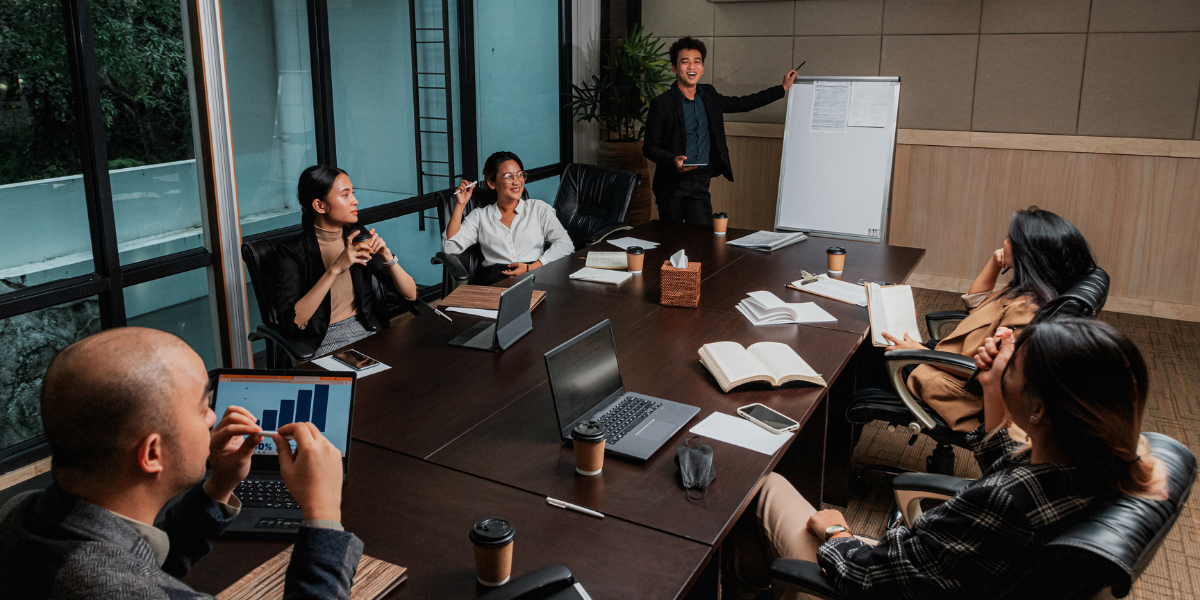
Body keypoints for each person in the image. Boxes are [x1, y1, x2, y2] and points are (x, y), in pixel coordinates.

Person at [723, 318, 1168, 600]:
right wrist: (995, 387)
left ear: (1039, 410)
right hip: (934, 571)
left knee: (760, 486)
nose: (1000, 364)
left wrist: (837, 533)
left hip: (875, 579)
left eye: (1014, 367)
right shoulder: (1102, 463)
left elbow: (872, 579)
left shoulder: (1005, 503)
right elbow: (1007, 465)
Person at [0, 328, 361, 599]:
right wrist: (323, 515)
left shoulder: (19, 513)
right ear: (152, 453)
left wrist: (219, 485)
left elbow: (136, 563)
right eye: (202, 406)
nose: (212, 418)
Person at [881, 206, 1096, 432]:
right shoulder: (1034, 289)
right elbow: (976, 302)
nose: (1003, 242)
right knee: (880, 343)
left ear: (1028, 254)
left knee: (864, 359)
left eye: (1010, 239)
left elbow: (989, 371)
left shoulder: (1028, 310)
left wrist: (920, 352)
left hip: (962, 387)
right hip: (952, 360)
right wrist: (995, 262)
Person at [643, 36, 798, 225]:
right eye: (685, 62)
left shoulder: (709, 95)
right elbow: (649, 147)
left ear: (702, 68)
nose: (692, 67)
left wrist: (782, 88)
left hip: (701, 179)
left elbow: (744, 103)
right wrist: (673, 160)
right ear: (674, 68)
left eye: (697, 62)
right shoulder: (662, 104)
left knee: (703, 240)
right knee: (672, 242)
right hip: (671, 184)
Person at [276, 165, 419, 357]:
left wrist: (388, 257)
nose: (355, 201)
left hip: (369, 328)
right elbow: (293, 323)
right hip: (323, 339)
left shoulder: (357, 236)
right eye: (345, 195)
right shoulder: (292, 252)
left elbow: (411, 294)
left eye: (353, 193)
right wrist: (335, 269)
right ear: (320, 205)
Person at [443, 151, 573, 285]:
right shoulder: (480, 216)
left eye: (520, 175)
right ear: (491, 183)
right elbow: (450, 247)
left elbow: (565, 244)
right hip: (495, 279)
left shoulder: (538, 209)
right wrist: (460, 205)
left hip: (535, 273)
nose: (517, 182)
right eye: (508, 176)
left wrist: (532, 267)